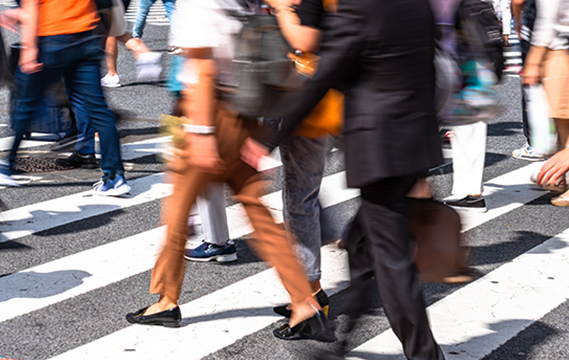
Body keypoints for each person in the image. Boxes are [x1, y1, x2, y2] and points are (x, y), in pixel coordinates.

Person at [242, 0, 445, 357]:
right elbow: (429, 65)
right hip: (416, 138)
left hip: (381, 146)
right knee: (361, 245)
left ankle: (425, 355)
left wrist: (269, 139)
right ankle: (344, 342)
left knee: (391, 263)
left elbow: (324, 75)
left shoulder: (359, 7)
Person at [126, 0, 333, 342]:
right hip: (243, 111)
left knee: (178, 210)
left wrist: (203, 134)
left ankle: (166, 300)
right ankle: (305, 301)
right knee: (257, 213)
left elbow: (204, 69)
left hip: (207, 114)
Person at [0, 0, 130, 196]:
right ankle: (115, 177)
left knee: (27, 103)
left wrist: (30, 48)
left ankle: (8, 166)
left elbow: (33, 4)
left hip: (51, 38)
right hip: (85, 36)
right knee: (99, 111)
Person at [263, 0, 337, 318]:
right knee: (308, 192)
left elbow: (304, 40)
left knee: (299, 197)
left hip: (311, 96)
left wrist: (280, 9)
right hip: (345, 89)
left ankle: (310, 292)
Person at [525, 0, 569, 206]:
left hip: (560, 52)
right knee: (561, 121)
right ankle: (559, 177)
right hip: (559, 50)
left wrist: (533, 60)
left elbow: (547, 19)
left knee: (565, 123)